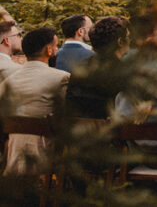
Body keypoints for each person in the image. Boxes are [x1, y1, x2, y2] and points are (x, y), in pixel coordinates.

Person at [0, 28, 68, 176]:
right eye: (56, 46)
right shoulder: (62, 78)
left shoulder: (8, 81)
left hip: (12, 153)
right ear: (49, 51)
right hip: (46, 154)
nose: (56, 50)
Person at [66, 16, 131, 118]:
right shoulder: (124, 72)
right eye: (128, 37)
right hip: (113, 132)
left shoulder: (80, 68)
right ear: (120, 42)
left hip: (80, 129)